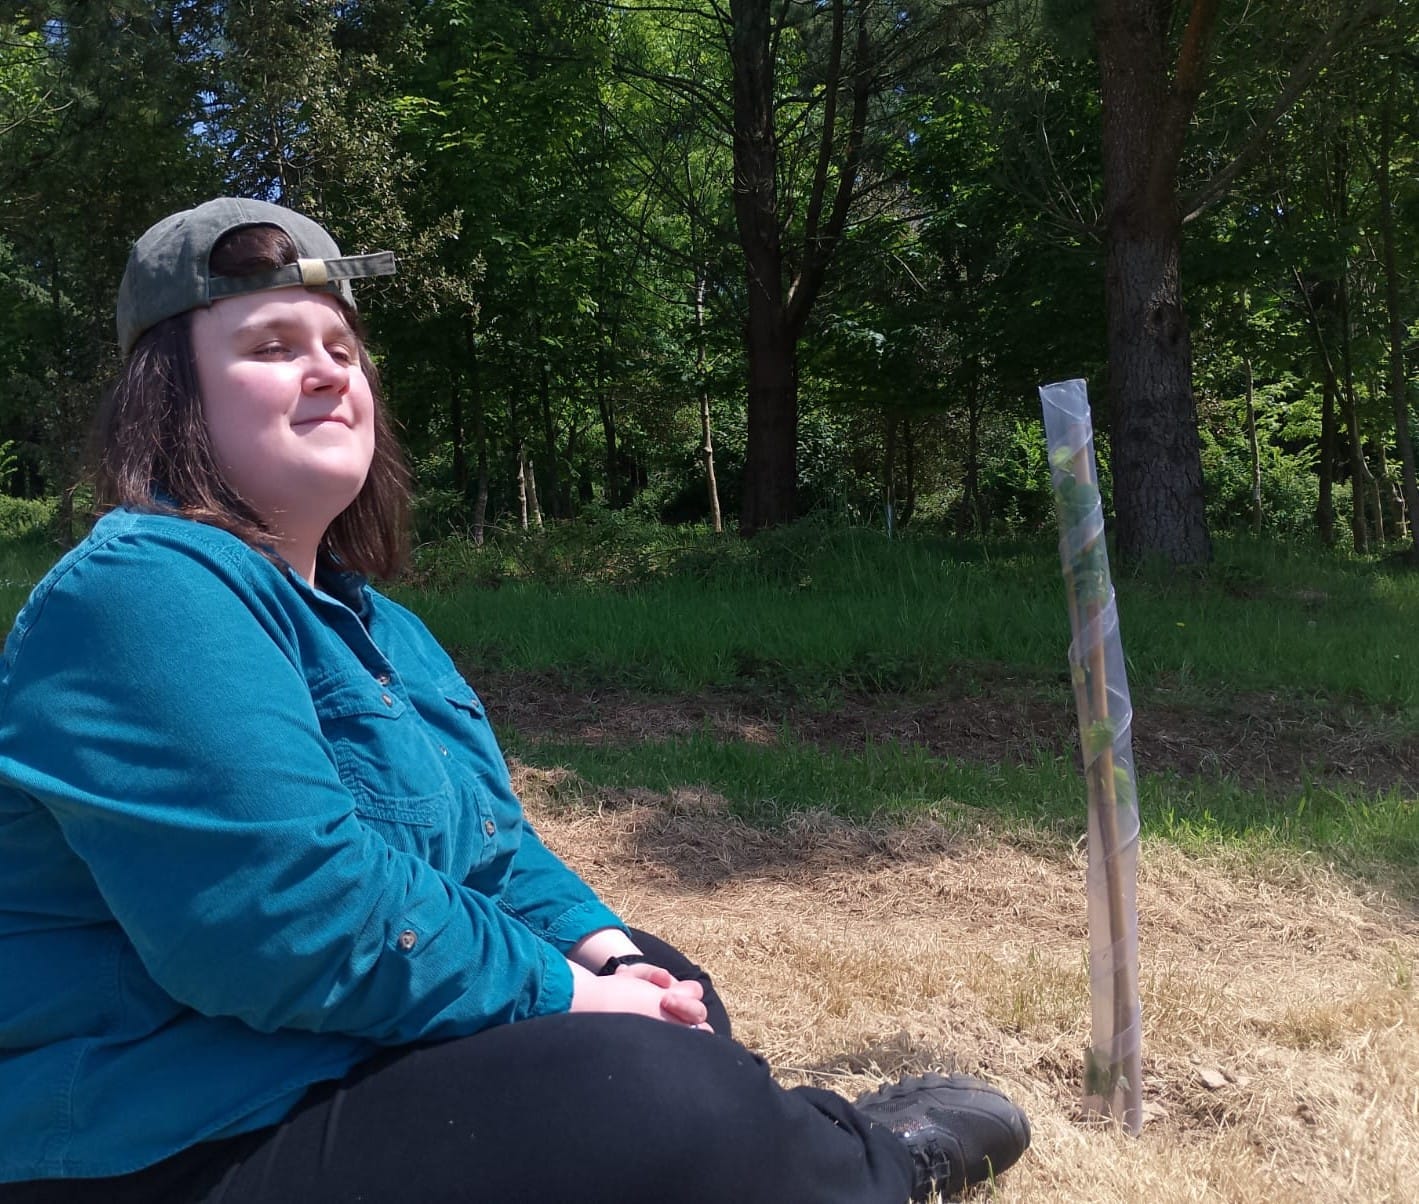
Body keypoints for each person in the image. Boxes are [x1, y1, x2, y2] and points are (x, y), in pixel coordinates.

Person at [0, 198, 1030, 1203]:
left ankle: (788, 1148)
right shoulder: (142, 592)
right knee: (650, 1089)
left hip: (329, 1060)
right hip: (169, 1135)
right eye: (272, 346)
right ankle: (882, 1163)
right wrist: (576, 998)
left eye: (345, 349)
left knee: (676, 993)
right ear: (168, 395)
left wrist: (610, 953)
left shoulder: (379, 627)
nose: (330, 372)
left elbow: (493, 849)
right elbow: (282, 913)